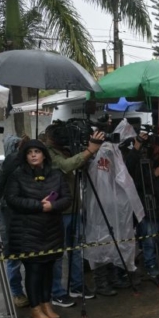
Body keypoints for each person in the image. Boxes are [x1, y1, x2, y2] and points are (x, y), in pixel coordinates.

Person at [4, 140, 71, 318]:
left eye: (37, 151)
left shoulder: (56, 175)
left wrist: (53, 205)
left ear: (44, 154)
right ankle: (35, 308)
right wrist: (38, 206)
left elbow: (67, 198)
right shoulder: (17, 175)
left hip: (51, 230)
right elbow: (12, 199)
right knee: (34, 270)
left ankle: (46, 303)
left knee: (49, 268)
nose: (33, 155)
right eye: (29, 152)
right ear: (24, 156)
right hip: (27, 232)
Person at [43, 123, 105, 307]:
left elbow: (78, 164)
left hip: (73, 207)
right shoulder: (48, 153)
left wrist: (85, 153)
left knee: (76, 249)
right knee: (58, 254)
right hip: (58, 210)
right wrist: (90, 150)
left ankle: (77, 286)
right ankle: (57, 292)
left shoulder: (67, 150)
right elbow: (66, 166)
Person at [84, 120, 144, 296]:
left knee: (117, 241)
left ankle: (115, 277)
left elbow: (125, 176)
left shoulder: (117, 153)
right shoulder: (95, 154)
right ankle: (101, 282)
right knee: (100, 244)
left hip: (116, 207)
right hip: (99, 207)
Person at [125, 131, 159, 278]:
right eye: (155, 145)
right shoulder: (139, 162)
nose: (157, 148)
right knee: (149, 241)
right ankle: (151, 266)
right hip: (148, 208)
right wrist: (154, 174)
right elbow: (137, 183)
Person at [0, 135, 29, 308]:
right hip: (10, 214)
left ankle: (27, 292)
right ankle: (17, 292)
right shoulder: (8, 164)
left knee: (28, 256)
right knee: (13, 256)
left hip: (25, 212)